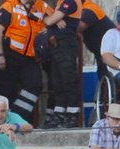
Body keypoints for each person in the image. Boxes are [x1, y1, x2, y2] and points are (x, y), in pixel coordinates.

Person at [0, 0, 50, 121]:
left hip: (31, 56)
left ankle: (17, 117)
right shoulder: (10, 5)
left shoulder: (41, 6)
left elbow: (54, 16)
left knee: (35, 85)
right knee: (7, 90)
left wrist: (59, 20)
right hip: (10, 53)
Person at [40, 0, 82, 128]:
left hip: (66, 45)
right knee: (58, 82)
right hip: (57, 46)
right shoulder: (60, 3)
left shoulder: (70, 1)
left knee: (69, 81)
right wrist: (54, 19)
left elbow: (49, 21)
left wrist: (51, 19)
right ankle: (59, 114)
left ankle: (72, 115)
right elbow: (51, 19)